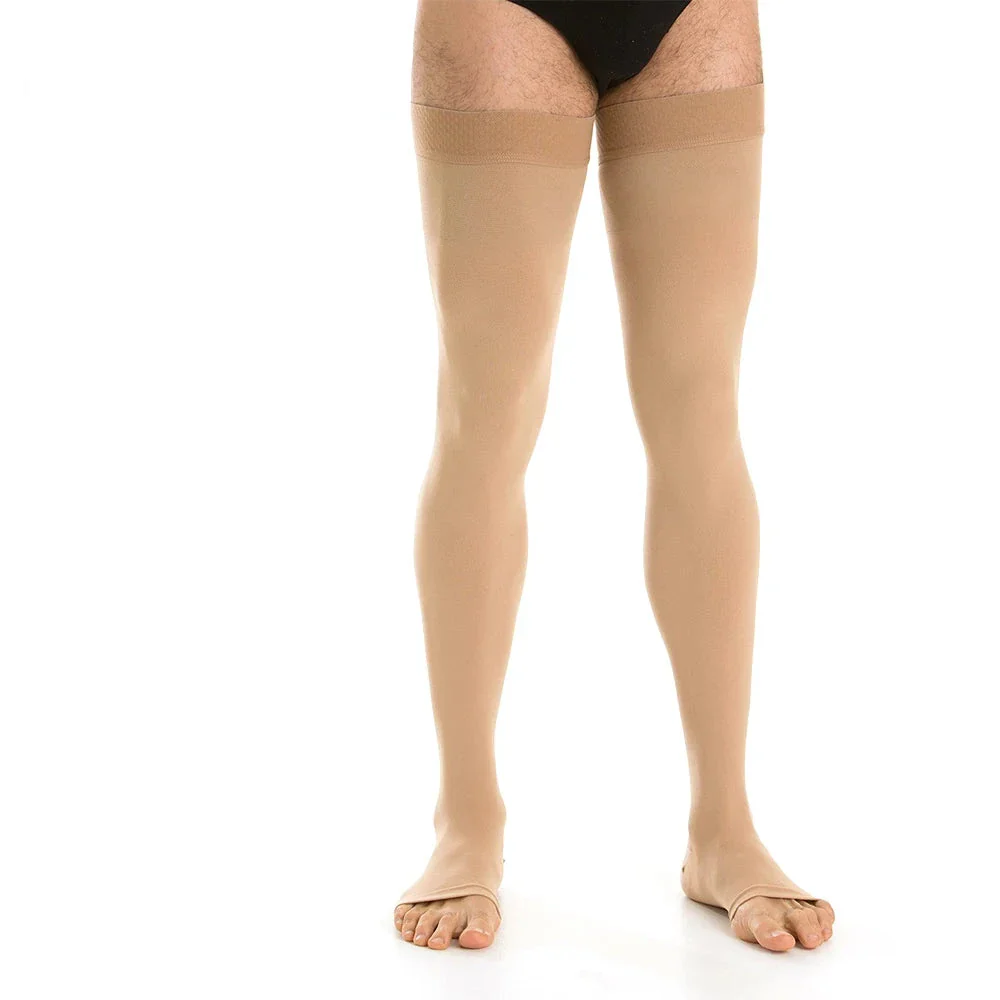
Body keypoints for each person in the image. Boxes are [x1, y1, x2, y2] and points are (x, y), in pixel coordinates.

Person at [393, 0, 834, 952]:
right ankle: (466, 819)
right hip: (500, 14)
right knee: (487, 409)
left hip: (696, 18)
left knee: (702, 405)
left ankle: (723, 828)